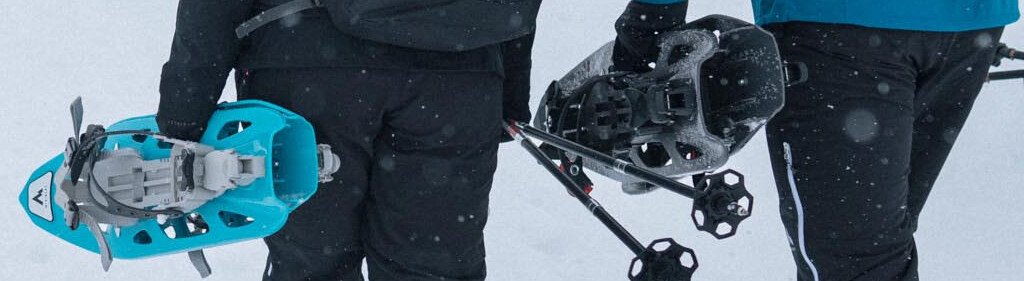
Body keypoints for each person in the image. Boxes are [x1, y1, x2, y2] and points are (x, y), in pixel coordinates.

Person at [612, 0, 1018, 280]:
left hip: (839, 27)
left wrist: (654, 13)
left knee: (856, 263)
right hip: (966, 25)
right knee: (873, 251)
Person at [155, 1, 538, 280]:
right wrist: (510, 94)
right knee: (433, 262)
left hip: (307, 64)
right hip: (459, 74)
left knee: (314, 261)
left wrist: (184, 112)